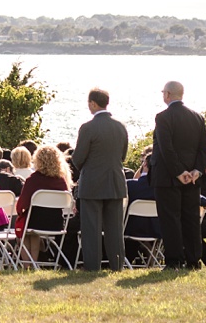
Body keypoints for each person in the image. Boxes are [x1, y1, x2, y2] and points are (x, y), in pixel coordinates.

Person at [152, 80, 206, 270]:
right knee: (191, 218)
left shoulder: (163, 117)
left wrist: (179, 172)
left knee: (170, 219)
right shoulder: (197, 117)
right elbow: (204, 148)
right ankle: (194, 259)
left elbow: (165, 148)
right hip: (193, 178)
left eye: (163, 93)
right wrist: (197, 170)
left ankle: (174, 260)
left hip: (169, 177)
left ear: (168, 95)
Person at [71, 86, 131, 272]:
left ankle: (92, 266)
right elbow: (123, 155)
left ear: (93, 103)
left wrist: (84, 167)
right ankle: (117, 264)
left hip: (92, 183)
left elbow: (78, 158)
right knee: (115, 228)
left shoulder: (88, 127)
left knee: (91, 229)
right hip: (115, 181)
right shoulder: (120, 126)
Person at [14, 145, 69, 264]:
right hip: (56, 222)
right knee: (31, 231)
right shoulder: (61, 181)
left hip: (35, 221)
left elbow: (21, 205)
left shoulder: (33, 180)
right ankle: (33, 262)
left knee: (22, 228)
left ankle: (27, 263)